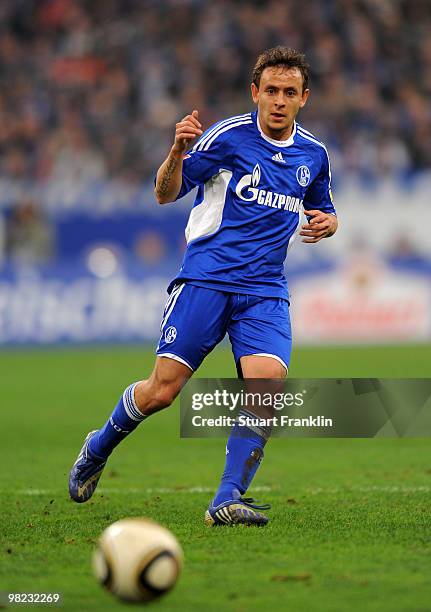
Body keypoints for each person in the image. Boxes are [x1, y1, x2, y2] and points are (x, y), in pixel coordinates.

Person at [69, 46, 338, 525]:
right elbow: (164, 192)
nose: (278, 100)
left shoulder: (314, 154)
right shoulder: (227, 137)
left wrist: (327, 224)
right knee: (161, 392)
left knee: (266, 389)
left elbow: (324, 206)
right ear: (255, 93)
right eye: (271, 91)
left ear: (304, 99)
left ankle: (226, 499)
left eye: (289, 93)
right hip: (206, 280)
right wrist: (176, 151)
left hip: (265, 290)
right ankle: (99, 444)